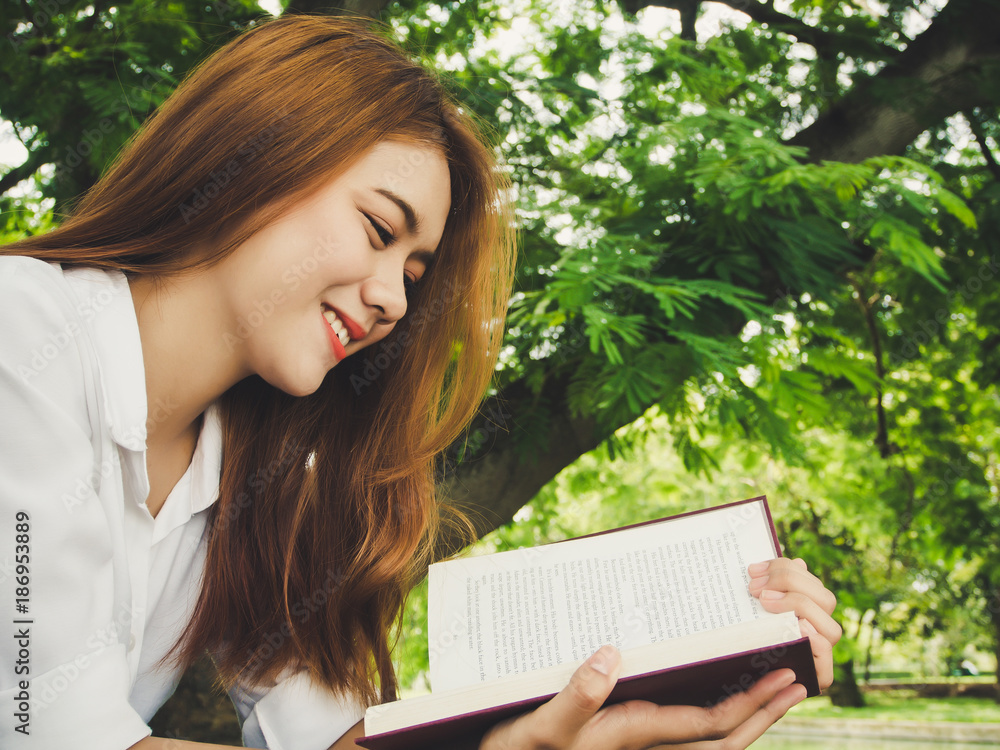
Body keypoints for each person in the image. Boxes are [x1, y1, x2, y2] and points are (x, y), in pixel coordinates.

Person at [0, 14, 840, 750]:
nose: (393, 299)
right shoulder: (23, 332)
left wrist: (668, 659)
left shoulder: (263, 477)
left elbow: (331, 735)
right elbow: (48, 735)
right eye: (377, 228)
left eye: (413, 270)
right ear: (250, 156)